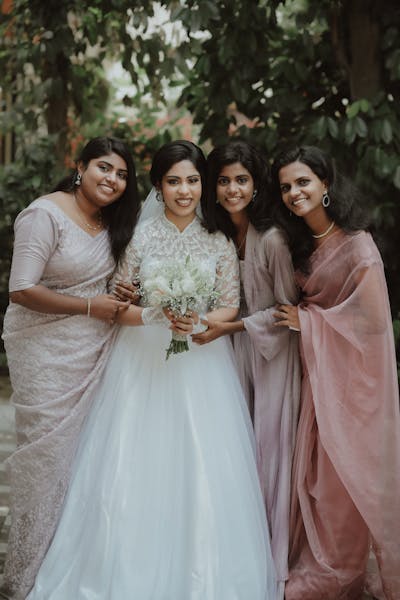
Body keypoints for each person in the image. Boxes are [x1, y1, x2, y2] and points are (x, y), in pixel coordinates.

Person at [26, 140, 277, 599]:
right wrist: (154, 315)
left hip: (201, 362)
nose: (185, 190)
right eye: (174, 181)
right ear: (159, 188)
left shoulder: (217, 239)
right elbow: (118, 306)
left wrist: (198, 321)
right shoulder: (139, 237)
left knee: (202, 465)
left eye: (193, 180)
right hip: (139, 360)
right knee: (130, 462)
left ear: (203, 185)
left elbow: (229, 305)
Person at [0, 136, 140, 600]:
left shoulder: (110, 223)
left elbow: (106, 288)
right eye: (104, 168)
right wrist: (87, 306)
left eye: (121, 174)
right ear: (80, 166)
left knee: (85, 463)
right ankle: (26, 575)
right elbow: (20, 289)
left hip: (96, 351)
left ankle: (67, 566)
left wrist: (123, 296)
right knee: (46, 459)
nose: (113, 180)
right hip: (44, 352)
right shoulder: (45, 214)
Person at [271, 145, 400, 599]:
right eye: (286, 187)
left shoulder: (358, 245)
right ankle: (313, 560)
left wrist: (309, 322)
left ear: (326, 183)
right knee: (309, 476)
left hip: (353, 386)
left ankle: (336, 570)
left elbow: (374, 326)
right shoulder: (300, 245)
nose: (294, 193)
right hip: (313, 377)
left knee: (338, 480)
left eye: (303, 182)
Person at [192, 140, 301, 599]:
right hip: (229, 354)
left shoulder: (272, 239)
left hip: (272, 356)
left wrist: (233, 326)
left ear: (256, 185)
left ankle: (273, 561)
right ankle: (233, 550)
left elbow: (286, 311)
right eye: (223, 180)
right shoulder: (216, 238)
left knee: (269, 451)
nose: (232, 189)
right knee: (234, 455)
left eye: (241, 179)